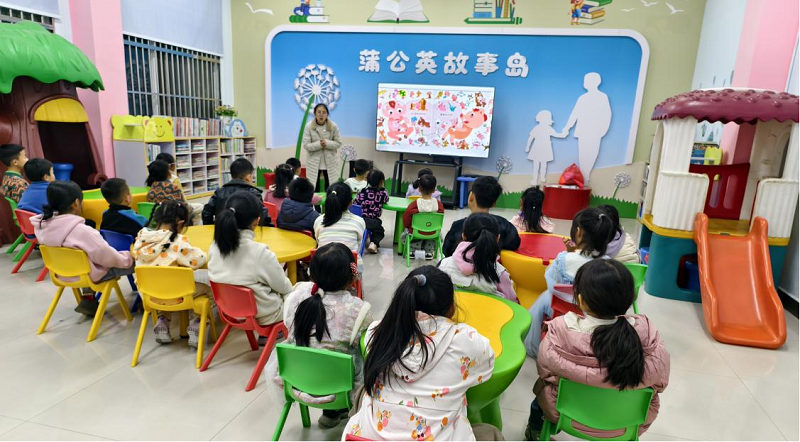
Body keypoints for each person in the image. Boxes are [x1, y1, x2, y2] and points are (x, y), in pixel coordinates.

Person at [344, 266, 499, 441]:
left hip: (367, 438)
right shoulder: (466, 342)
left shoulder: (377, 333)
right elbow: (488, 365)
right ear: (451, 307)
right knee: (492, 433)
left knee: (363, 394)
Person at [527, 259, 670, 440]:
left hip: (565, 415)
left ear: (581, 300)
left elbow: (544, 370)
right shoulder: (647, 333)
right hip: (627, 422)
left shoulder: (560, 329)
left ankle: (535, 431)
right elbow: (660, 383)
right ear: (630, 298)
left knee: (542, 390)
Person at [265, 243, 373, 428]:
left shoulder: (294, 298)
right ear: (352, 276)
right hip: (340, 390)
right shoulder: (359, 310)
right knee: (361, 354)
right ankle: (337, 412)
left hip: (296, 381)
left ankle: (329, 414)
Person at [524, 207, 615, 359]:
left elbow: (552, 285)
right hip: (595, 313)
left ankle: (534, 346)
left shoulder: (563, 259)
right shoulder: (608, 264)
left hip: (563, 311)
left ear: (578, 232)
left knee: (544, 297)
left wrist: (569, 253)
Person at [32, 181, 134, 317]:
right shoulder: (82, 231)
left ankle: (88, 297)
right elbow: (108, 257)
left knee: (85, 259)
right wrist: (129, 256)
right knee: (136, 261)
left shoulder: (41, 226)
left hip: (61, 273)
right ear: (76, 203)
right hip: (87, 275)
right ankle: (151, 300)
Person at [133, 201, 210, 347]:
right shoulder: (177, 241)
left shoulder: (141, 238)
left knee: (161, 284)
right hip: (176, 295)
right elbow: (198, 260)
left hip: (149, 294)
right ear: (180, 223)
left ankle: (162, 320)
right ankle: (198, 323)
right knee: (207, 290)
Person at [208, 193, 293, 326]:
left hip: (228, 312)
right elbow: (284, 287)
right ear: (256, 221)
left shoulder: (214, 247)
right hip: (264, 316)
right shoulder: (260, 253)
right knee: (301, 291)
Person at [438, 213, 517, 301]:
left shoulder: (443, 265)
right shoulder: (500, 274)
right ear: (498, 238)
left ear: (463, 236)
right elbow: (511, 302)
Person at [442, 176, 520, 257]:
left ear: (471, 197)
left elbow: (447, 251)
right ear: (494, 203)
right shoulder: (505, 225)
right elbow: (515, 244)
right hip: (490, 265)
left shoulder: (458, 226)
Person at [560, 72, 612, 185]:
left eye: (587, 80)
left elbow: (607, 114)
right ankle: (585, 177)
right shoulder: (582, 98)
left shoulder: (602, 97)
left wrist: (603, 130)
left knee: (593, 153)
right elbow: (575, 114)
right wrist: (567, 127)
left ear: (595, 82)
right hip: (583, 131)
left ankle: (585, 175)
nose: (585, 83)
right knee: (583, 155)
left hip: (596, 131)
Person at [202, 158, 271, 227]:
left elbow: (206, 214)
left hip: (223, 231)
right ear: (248, 177)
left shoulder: (219, 192)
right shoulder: (254, 194)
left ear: (231, 175)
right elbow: (264, 218)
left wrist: (214, 227)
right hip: (247, 232)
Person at [314, 182, 365, 261]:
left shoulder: (319, 220)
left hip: (322, 265)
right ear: (351, 202)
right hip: (349, 267)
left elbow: (318, 240)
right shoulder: (359, 221)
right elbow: (358, 245)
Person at [401, 173, 444, 259]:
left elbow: (406, 220)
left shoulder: (414, 204)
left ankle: (412, 250)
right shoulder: (439, 205)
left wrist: (408, 227)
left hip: (415, 232)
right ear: (434, 190)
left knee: (405, 233)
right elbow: (440, 219)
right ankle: (429, 251)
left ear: (419, 189)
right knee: (436, 232)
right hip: (433, 232)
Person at [302, 103, 342, 191]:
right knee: (314, 188)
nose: (321, 114)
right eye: (319, 112)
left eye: (324, 112)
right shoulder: (309, 126)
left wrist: (327, 143)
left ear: (327, 114)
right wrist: (319, 144)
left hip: (330, 161)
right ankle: (315, 201)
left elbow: (338, 143)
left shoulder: (333, 126)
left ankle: (329, 200)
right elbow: (306, 145)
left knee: (331, 187)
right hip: (313, 161)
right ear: (315, 113)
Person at [156, 152, 203, 219]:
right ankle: (190, 224)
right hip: (174, 210)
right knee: (200, 207)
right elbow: (182, 199)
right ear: (171, 165)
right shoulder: (174, 179)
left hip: (158, 211)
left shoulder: (152, 178)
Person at [526, 110, 567, 186]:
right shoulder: (539, 128)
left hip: (543, 148)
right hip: (538, 148)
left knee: (542, 164)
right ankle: (536, 179)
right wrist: (527, 146)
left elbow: (556, 135)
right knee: (538, 165)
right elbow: (531, 137)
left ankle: (541, 178)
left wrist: (563, 134)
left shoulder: (547, 128)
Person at [354, 169, 389, 254]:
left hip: (361, 220)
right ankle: (373, 243)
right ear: (381, 182)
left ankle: (362, 240)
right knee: (380, 232)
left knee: (367, 228)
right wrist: (384, 190)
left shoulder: (362, 192)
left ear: (367, 180)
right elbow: (386, 199)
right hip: (374, 221)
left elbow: (356, 203)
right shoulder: (382, 193)